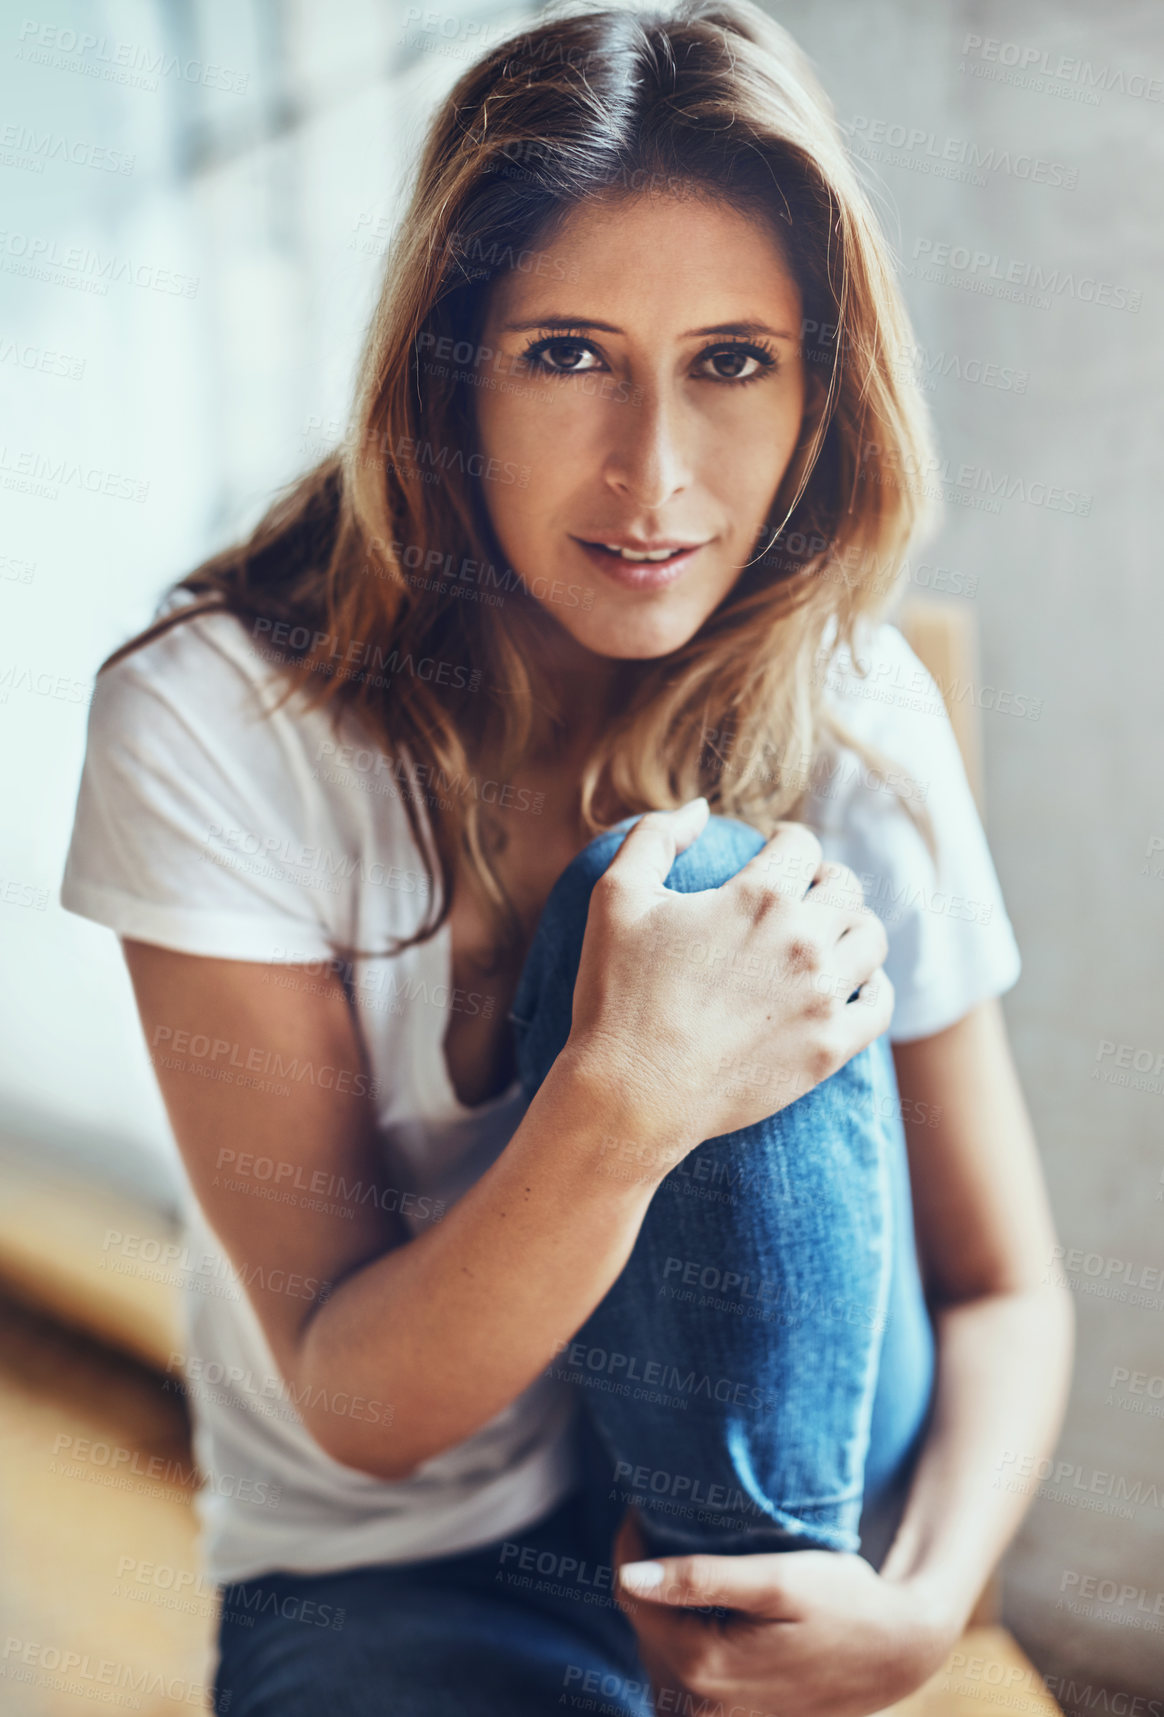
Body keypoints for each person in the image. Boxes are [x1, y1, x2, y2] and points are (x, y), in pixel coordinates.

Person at [60, 2, 1074, 1711]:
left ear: (823, 384)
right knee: (675, 944)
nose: (654, 475)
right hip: (397, 1560)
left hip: (803, 1504)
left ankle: (756, 1644)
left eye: (733, 360)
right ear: (449, 370)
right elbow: (361, 1407)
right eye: (569, 353)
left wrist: (921, 1607)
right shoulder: (211, 721)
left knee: (705, 885)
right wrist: (629, 1089)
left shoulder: (852, 699)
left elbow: (1004, 1287)